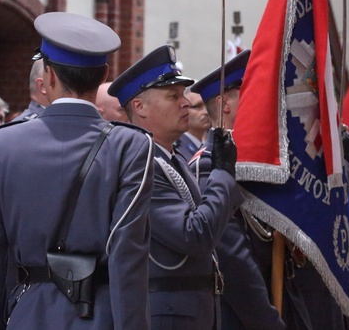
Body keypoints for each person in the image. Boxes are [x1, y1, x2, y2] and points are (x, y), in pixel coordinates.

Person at [0, 12, 154, 329]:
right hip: (101, 315)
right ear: (104, 75)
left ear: (48, 77)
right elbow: (128, 259)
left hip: (28, 314)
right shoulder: (130, 146)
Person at [109, 45, 243, 330]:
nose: (185, 103)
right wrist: (222, 174)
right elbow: (195, 235)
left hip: (193, 312)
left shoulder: (172, 158)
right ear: (139, 106)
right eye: (172, 96)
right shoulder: (141, 166)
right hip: (169, 315)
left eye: (183, 95)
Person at [189, 50, 285, 329]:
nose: (263, 101)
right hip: (239, 317)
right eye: (252, 92)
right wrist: (269, 322)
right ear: (224, 104)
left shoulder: (256, 162)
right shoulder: (207, 165)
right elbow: (233, 263)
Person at [173, 88, 211, 163]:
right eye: (197, 107)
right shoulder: (177, 147)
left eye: (206, 105)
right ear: (183, 109)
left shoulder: (208, 143)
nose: (206, 112)